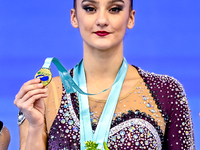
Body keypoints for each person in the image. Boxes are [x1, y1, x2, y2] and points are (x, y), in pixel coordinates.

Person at [14, 0, 195, 149]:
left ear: (130, 18)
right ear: (74, 17)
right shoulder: (44, 93)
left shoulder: (167, 92)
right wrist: (36, 127)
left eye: (114, 9)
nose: (102, 20)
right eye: (90, 9)